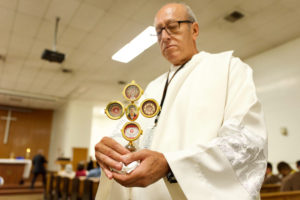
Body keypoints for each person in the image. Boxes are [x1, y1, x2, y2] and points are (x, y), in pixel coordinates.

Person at [94, 3, 267, 200]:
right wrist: (110, 151)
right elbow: (127, 134)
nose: (165, 36)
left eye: (172, 26)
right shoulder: (152, 88)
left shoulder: (228, 68)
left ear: (194, 30)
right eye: (159, 32)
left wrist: (171, 165)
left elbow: (246, 143)